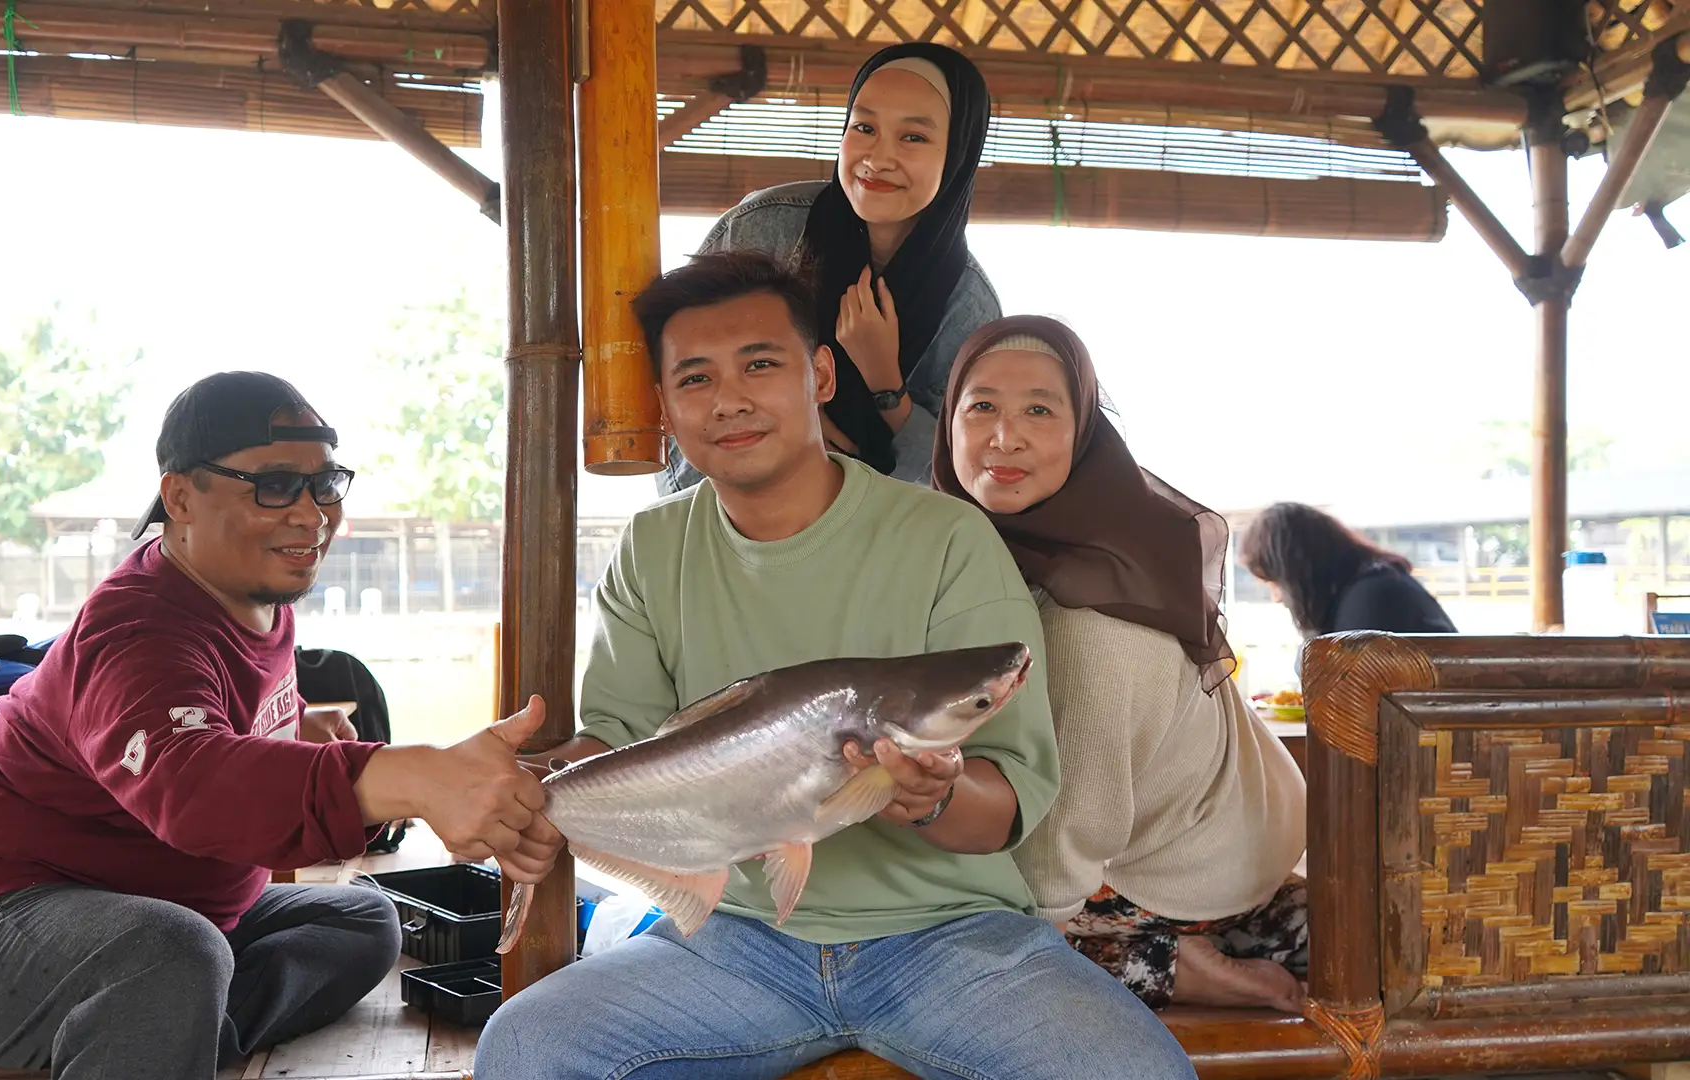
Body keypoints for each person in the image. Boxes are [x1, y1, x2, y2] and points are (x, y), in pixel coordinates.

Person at [474, 253, 1195, 1080]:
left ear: (820, 374)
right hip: (736, 942)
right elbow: (618, 749)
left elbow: (1008, 806)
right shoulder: (652, 548)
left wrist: (934, 796)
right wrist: (527, 797)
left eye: (761, 363)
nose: (732, 399)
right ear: (667, 410)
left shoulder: (947, 538)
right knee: (527, 1046)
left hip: (951, 938)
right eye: (696, 378)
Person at [0, 372, 561, 1079]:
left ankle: (153, 1033)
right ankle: (150, 1019)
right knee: (175, 953)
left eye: (326, 484)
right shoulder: (137, 630)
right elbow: (191, 782)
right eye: (274, 485)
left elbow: (221, 736)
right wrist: (411, 775)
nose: (312, 514)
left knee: (361, 923)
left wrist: (300, 740)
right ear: (179, 497)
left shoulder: (257, 601)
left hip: (170, 914)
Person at [933, 315, 1309, 1013]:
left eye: (1039, 411)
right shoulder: (1101, 543)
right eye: (981, 405)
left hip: (1184, 874)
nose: (1004, 436)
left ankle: (1167, 966)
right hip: (1236, 838)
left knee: (925, 937)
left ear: (1083, 435)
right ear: (947, 422)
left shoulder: (1086, 618)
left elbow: (1057, 861)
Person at [657, 42, 1001, 495]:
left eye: (913, 137)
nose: (878, 158)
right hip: (723, 511)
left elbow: (959, 475)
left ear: (956, 154)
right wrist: (794, 417)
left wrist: (886, 384)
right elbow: (675, 365)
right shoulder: (763, 227)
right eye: (864, 127)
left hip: (873, 540)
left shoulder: (969, 307)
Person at [1240, 501, 1458, 639]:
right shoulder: (1373, 586)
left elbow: (1337, 690)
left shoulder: (1372, 600)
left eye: (1276, 583)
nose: (1276, 598)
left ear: (1299, 574)